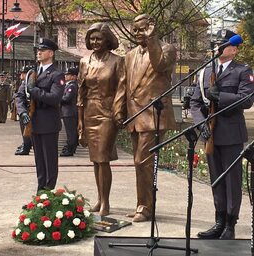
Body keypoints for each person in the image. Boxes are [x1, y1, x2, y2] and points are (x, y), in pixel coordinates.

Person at [190, 29, 254, 240]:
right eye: (216, 43)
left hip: (231, 134)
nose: (217, 47)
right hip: (211, 134)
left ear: (234, 49)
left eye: (222, 44)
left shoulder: (242, 71)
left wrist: (222, 96)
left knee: (232, 180)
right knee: (216, 178)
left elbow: (246, 100)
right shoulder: (206, 72)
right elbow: (196, 103)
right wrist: (201, 125)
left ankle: (230, 224)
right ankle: (218, 221)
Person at [114, 14, 177, 222]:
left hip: (154, 114)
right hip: (134, 115)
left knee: (143, 160)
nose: (136, 33)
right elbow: (124, 84)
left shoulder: (167, 49)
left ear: (151, 28)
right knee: (139, 163)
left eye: (141, 29)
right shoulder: (130, 55)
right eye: (135, 30)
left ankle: (145, 207)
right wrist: (118, 109)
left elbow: (159, 65)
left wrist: (151, 40)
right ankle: (142, 204)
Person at [77, 23, 124, 216]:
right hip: (89, 112)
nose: (95, 42)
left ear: (107, 40)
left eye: (99, 38)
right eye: (92, 39)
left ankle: (106, 202)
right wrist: (80, 121)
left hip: (107, 113)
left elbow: (122, 89)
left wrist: (118, 112)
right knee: (95, 160)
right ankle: (99, 199)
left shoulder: (117, 61)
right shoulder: (84, 62)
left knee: (103, 158)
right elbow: (81, 93)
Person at [16, 38, 65, 192]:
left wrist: (34, 90)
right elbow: (19, 96)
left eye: (42, 50)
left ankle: (48, 193)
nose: (39, 53)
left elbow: (54, 98)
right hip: (33, 122)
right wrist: (23, 112)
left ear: (50, 53)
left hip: (48, 122)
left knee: (49, 160)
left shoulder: (57, 75)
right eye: (38, 50)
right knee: (39, 161)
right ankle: (40, 192)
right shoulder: (33, 73)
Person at [14, 65, 34, 155]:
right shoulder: (25, 82)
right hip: (27, 109)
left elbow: (19, 97)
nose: (21, 75)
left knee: (26, 129)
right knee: (26, 130)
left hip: (27, 109)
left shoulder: (26, 83)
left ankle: (26, 147)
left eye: (22, 73)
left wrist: (22, 111)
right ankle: (26, 145)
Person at [60, 66, 79, 157]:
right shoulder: (68, 85)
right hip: (67, 111)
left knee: (71, 131)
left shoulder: (72, 86)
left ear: (74, 76)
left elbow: (67, 98)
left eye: (68, 75)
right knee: (70, 131)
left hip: (69, 111)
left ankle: (71, 148)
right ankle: (71, 146)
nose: (66, 76)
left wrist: (57, 98)